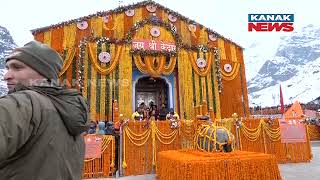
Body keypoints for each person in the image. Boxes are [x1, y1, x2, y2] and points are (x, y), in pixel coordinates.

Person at [0, 41, 89, 179]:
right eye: (8, 68)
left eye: (17, 68)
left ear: (43, 72)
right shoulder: (70, 110)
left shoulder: (20, 103)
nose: (7, 76)